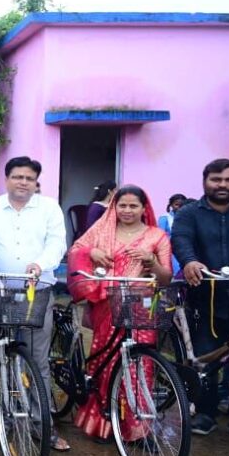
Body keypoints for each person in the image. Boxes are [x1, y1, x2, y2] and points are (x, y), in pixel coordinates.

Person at [0, 156, 70, 451]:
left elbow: (57, 243)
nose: (23, 182)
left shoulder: (49, 208)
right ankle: (3, 416)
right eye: (17, 177)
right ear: (7, 179)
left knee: (37, 359)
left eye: (29, 178)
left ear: (36, 182)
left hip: (35, 292)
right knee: (0, 353)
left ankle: (42, 424)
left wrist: (41, 264)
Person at [67, 186, 172, 441]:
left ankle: (137, 429)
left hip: (140, 308)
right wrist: (91, 252)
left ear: (143, 208)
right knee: (106, 361)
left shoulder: (157, 236)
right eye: (122, 205)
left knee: (140, 363)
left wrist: (151, 262)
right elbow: (76, 250)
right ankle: (104, 422)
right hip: (107, 305)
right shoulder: (102, 230)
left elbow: (166, 278)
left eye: (133, 206)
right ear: (114, 207)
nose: (127, 210)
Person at [172, 159, 229, 441]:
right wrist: (190, 261)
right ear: (205, 181)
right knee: (206, 357)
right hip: (204, 294)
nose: (222, 185)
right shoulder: (189, 212)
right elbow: (181, 240)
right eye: (216, 180)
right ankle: (206, 412)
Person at [158, 193, 187, 275]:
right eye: (176, 205)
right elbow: (160, 236)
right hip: (170, 251)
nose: (179, 207)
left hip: (185, 249)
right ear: (171, 205)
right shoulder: (165, 218)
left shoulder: (188, 217)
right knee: (174, 272)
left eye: (182, 205)